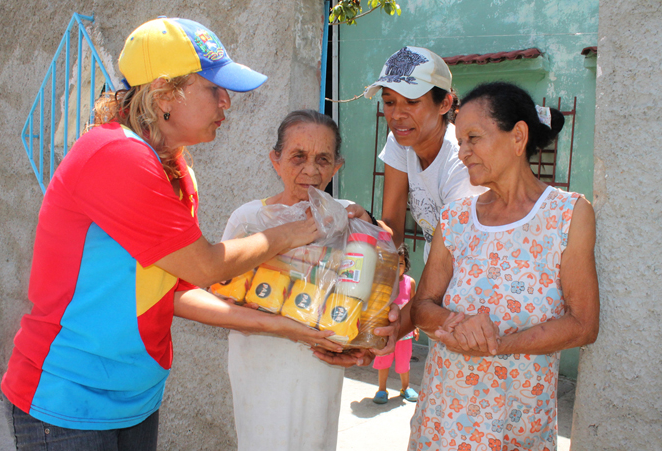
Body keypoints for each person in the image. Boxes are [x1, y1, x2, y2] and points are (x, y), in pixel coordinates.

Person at [1, 18, 339, 450]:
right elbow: (205, 266)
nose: (226, 103)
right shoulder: (116, 156)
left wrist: (281, 326)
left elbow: (173, 291)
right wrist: (294, 232)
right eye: (213, 89)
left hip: (134, 399)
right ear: (164, 94)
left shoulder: (175, 169)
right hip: (68, 400)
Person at [401, 81, 600, 450]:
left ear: (518, 136)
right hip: (443, 420)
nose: (463, 153)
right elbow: (422, 306)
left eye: (473, 138)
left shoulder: (567, 215)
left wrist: (498, 344)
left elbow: (583, 325)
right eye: (459, 142)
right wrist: (454, 323)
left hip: (516, 423)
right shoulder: (456, 217)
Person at [221, 109, 397, 451]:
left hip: (320, 366)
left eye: (323, 159)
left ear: (337, 166)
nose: (311, 170)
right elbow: (221, 297)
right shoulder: (249, 219)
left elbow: (381, 282)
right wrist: (283, 325)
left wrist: (373, 336)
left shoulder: (347, 218)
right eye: (298, 157)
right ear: (275, 159)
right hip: (260, 363)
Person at [364, 46, 487, 262]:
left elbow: (453, 256)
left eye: (412, 102)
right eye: (389, 102)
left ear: (444, 104)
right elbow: (393, 229)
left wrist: (422, 296)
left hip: (474, 278)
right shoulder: (400, 143)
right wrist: (362, 223)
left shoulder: (461, 163)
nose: (397, 115)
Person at [372, 243, 420, 404]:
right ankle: (381, 389)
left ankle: (405, 387)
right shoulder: (384, 282)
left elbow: (414, 305)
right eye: (393, 263)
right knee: (383, 360)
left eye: (400, 263)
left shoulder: (410, 282)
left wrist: (416, 326)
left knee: (403, 361)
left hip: (405, 332)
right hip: (386, 331)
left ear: (406, 264)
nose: (397, 267)